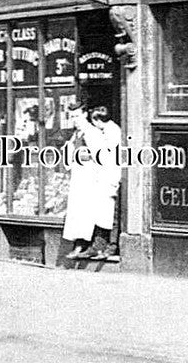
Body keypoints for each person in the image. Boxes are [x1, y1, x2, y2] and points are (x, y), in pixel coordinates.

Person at [62, 105, 122, 260]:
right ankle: (80, 245)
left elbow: (102, 156)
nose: (75, 120)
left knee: (89, 213)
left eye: (77, 116)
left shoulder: (93, 132)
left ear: (84, 116)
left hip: (90, 178)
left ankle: (87, 246)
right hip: (78, 177)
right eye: (72, 117)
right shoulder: (76, 134)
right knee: (79, 212)